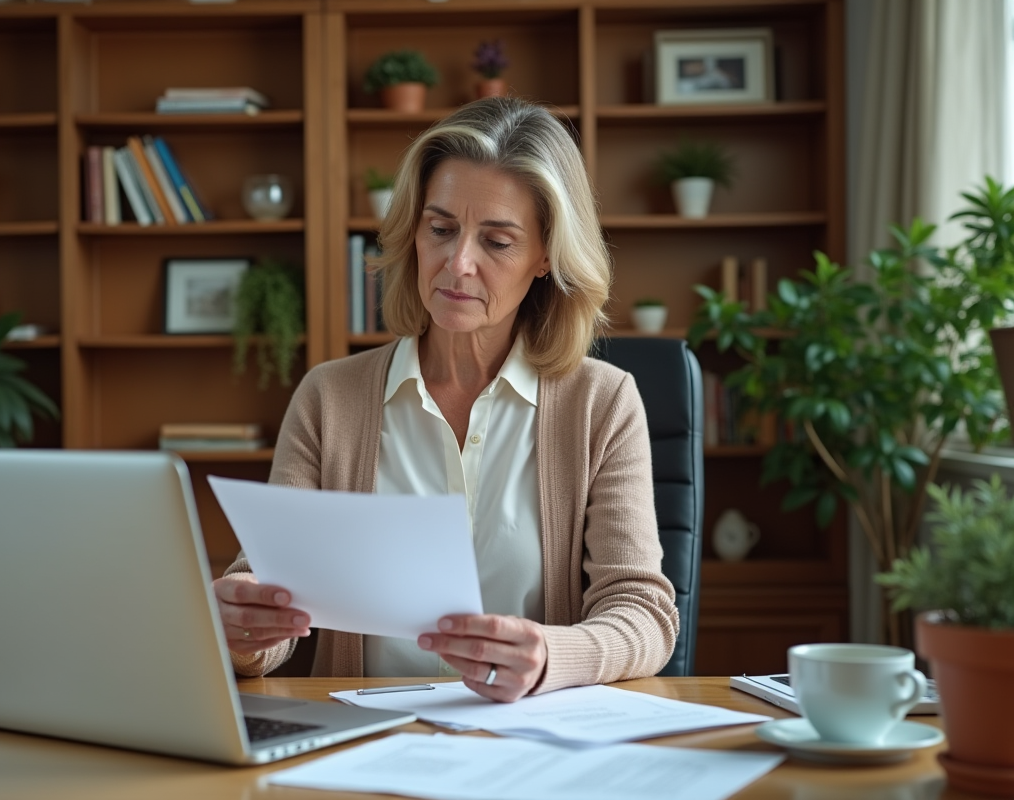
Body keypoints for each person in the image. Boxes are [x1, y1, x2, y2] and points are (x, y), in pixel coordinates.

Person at [213, 96, 679, 702]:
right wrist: (244, 629)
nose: (457, 264)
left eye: (497, 241)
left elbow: (643, 612)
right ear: (414, 231)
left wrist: (549, 656)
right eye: (440, 230)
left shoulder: (603, 402)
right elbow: (269, 591)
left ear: (545, 256)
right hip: (366, 735)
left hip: (530, 736)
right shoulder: (330, 397)